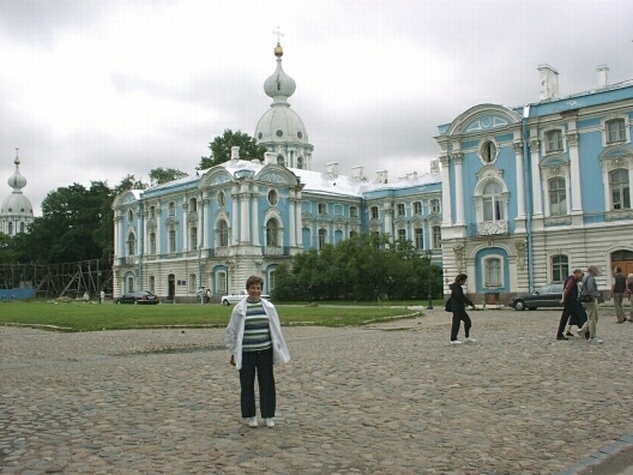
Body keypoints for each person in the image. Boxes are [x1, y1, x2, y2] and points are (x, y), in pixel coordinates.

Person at [225, 275, 290, 428]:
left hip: (264, 351)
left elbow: (275, 328)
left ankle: (268, 415)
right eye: (253, 288)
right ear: (248, 289)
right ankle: (250, 415)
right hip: (246, 352)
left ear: (261, 290)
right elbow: (231, 331)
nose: (255, 291)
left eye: (258, 288)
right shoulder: (239, 309)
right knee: (247, 384)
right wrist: (233, 351)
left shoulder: (268, 307)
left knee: (267, 383)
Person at [448, 273, 476, 345]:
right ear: (460, 280)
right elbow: (461, 297)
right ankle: (453, 339)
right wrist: (470, 303)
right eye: (464, 281)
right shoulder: (456, 288)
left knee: (467, 322)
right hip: (457, 308)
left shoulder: (457, 287)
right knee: (456, 323)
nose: (464, 282)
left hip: (460, 308)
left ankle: (467, 337)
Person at [556, 269, 584, 340]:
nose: (581, 277)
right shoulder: (571, 280)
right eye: (581, 275)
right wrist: (563, 299)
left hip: (572, 302)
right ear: (577, 273)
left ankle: (585, 332)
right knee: (566, 318)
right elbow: (566, 289)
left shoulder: (573, 280)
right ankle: (559, 334)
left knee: (577, 317)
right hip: (570, 302)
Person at [577, 265, 602, 344]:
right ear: (592, 270)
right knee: (593, 319)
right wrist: (593, 298)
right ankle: (592, 337)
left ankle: (583, 330)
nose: (597, 271)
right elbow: (590, 290)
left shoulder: (585, 277)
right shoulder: (590, 278)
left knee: (593, 318)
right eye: (596, 270)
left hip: (585, 299)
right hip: (590, 300)